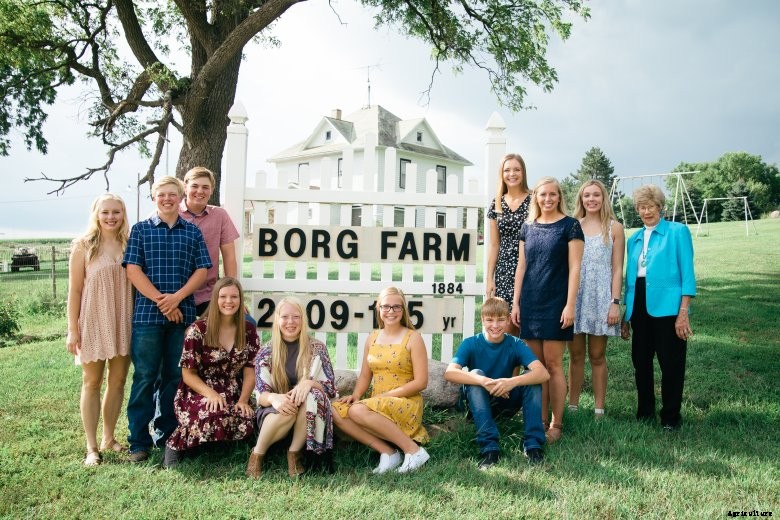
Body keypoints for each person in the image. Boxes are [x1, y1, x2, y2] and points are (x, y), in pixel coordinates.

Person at [123, 175, 211, 463]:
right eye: (162, 194)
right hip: (148, 316)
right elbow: (133, 270)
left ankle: (167, 435)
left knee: (174, 378)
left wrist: (177, 298)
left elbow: (202, 271)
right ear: (154, 197)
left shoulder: (192, 232)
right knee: (146, 377)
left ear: (180, 196)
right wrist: (163, 301)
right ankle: (138, 441)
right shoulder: (140, 230)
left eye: (173, 194)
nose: (167, 199)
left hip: (182, 316)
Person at [511, 176, 584, 443]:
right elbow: (522, 266)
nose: (548, 199)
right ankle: (538, 420)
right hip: (530, 302)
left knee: (553, 365)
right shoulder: (527, 226)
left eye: (553, 194)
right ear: (536, 197)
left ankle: (556, 423)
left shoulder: (570, 226)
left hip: (556, 303)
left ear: (559, 197)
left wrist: (570, 305)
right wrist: (517, 302)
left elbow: (575, 268)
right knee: (536, 367)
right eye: (543, 195)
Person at [163, 277, 260, 468]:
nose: (229, 301)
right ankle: (174, 447)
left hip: (234, 389)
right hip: (200, 389)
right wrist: (211, 394)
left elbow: (250, 371)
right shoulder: (197, 330)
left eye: (234, 297)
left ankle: (216, 443)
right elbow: (188, 374)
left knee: (246, 418)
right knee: (209, 416)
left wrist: (243, 400)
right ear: (215, 299)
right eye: (223, 296)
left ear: (241, 300)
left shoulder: (248, 330)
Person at [332, 287, 430, 474]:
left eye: (396, 307)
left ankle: (414, 451)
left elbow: (421, 382)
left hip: (405, 401)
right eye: (386, 307)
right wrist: (356, 394)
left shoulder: (413, 338)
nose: (391, 311)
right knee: (337, 410)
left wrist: (388, 394)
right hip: (378, 402)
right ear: (378, 308)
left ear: (403, 310)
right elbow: (365, 376)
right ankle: (388, 453)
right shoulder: (372, 338)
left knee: (358, 410)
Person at [66, 194, 133, 466]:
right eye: (105, 212)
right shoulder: (83, 246)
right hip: (93, 321)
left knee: (117, 382)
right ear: (96, 214)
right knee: (92, 382)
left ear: (123, 213)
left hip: (123, 320)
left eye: (116, 211)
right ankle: (91, 447)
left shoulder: (130, 243)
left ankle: (108, 437)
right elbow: (75, 290)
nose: (111, 217)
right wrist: (72, 329)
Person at [622, 185, 695, 431]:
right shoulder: (634, 239)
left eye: (650, 206)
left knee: (671, 363)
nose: (646, 211)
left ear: (660, 207)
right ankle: (644, 413)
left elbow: (688, 275)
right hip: (639, 305)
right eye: (642, 207)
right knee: (641, 361)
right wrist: (627, 313)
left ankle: (670, 417)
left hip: (669, 308)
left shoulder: (678, 232)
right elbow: (629, 280)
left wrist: (683, 313)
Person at [444, 297, 549, 469]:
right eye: (490, 320)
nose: (495, 325)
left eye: (500, 320)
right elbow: (450, 372)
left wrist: (511, 382)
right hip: (478, 404)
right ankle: (490, 448)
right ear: (482, 320)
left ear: (508, 320)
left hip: (507, 401)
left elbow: (542, 373)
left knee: (532, 378)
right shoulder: (470, 343)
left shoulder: (515, 344)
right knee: (476, 374)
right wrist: (484, 381)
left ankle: (533, 446)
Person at [246, 297, 336, 478]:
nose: (290, 322)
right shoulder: (266, 351)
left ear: (303, 319)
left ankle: (294, 453)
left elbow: (330, 389)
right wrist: (274, 398)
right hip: (275, 413)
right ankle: (257, 454)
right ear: (277, 319)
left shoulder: (317, 348)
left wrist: (308, 383)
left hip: (306, 410)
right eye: (285, 317)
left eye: (296, 317)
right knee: (288, 408)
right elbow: (261, 395)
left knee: (312, 396)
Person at [568, 180, 625, 418]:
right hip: (577, 297)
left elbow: (616, 268)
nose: (591, 199)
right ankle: (572, 406)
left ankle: (599, 409)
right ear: (581, 199)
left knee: (597, 355)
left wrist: (615, 302)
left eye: (596, 195)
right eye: (586, 195)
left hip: (602, 299)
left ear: (603, 198)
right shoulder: (572, 226)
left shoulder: (614, 227)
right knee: (576, 355)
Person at [177, 167, 242, 317]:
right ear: (185, 188)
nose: (200, 191)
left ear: (212, 190)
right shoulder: (172, 213)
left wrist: (230, 293)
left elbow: (229, 257)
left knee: (247, 321)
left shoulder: (219, 215)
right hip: (176, 293)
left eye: (205, 187)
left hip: (209, 295)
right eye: (194, 186)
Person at [486, 153, 531, 336]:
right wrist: (490, 278)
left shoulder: (535, 200)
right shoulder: (497, 203)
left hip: (529, 267)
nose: (512, 174)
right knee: (506, 327)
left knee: (525, 326)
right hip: (504, 271)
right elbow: (495, 244)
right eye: (507, 170)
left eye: (516, 169)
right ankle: (509, 366)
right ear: (502, 174)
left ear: (523, 172)